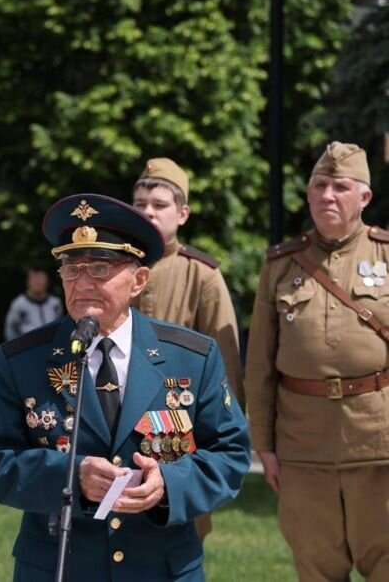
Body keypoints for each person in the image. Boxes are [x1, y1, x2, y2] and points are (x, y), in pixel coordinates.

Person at [0, 193, 250, 581]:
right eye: (71, 269)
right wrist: (72, 478)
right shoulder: (23, 360)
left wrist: (168, 485)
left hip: (160, 568)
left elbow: (230, 453)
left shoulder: (192, 357)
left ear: (139, 281)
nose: (83, 282)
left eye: (100, 268)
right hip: (61, 567)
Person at [245, 142, 388, 581]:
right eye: (320, 186)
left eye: (340, 187)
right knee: (316, 568)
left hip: (379, 442)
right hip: (303, 445)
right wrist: (263, 445)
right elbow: (259, 365)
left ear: (364, 197)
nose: (328, 195)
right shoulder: (281, 264)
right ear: (308, 195)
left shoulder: (385, 254)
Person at [131, 157, 243, 541]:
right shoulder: (112, 266)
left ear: (182, 214)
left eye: (159, 205)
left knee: (180, 535)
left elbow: (226, 361)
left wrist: (222, 438)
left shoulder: (202, 274)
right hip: (116, 422)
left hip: (179, 429)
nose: (148, 212)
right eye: (140, 204)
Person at [4, 266, 64, 341]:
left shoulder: (55, 303)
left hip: (52, 345)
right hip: (27, 345)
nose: (37, 282)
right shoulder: (19, 304)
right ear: (27, 282)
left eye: (41, 278)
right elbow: (10, 329)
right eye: (34, 279)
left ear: (47, 281)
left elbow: (60, 325)